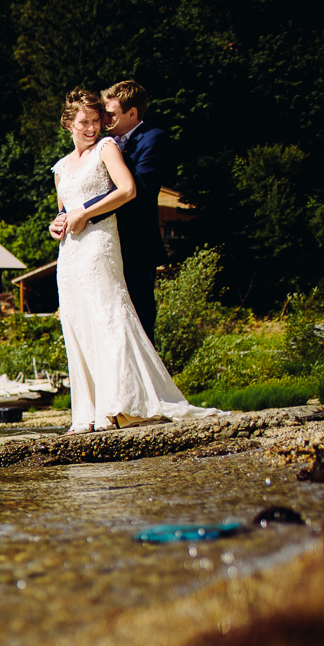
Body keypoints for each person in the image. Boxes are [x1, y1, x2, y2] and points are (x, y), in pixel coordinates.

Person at [46, 86, 213, 433]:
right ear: (68, 125)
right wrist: (57, 223)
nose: (93, 127)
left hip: (100, 244)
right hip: (71, 253)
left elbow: (129, 189)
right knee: (78, 324)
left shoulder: (107, 148)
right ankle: (87, 412)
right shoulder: (60, 168)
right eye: (85, 122)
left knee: (111, 317)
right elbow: (63, 209)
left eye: (97, 120)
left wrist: (84, 213)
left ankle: (121, 404)